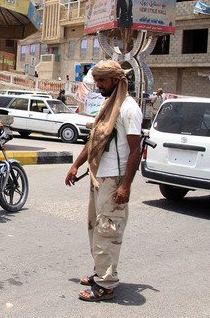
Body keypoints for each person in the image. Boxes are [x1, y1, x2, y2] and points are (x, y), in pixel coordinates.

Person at [64, 60, 142, 302]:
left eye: (102, 80)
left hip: (114, 179)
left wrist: (125, 186)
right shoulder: (110, 106)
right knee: (96, 228)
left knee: (108, 231)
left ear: (116, 80)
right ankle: (100, 273)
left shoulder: (129, 109)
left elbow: (135, 150)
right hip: (100, 177)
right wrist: (76, 165)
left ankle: (105, 285)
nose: (98, 85)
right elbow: (95, 140)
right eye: (96, 80)